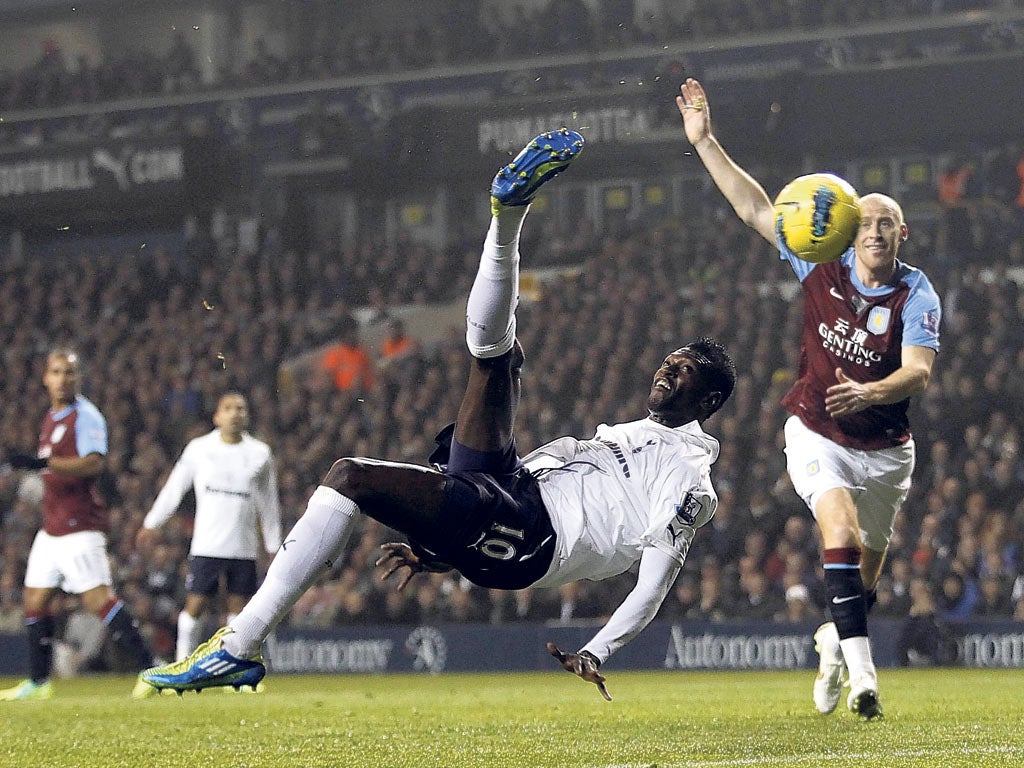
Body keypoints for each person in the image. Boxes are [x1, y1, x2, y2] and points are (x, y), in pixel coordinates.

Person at [141, 127, 736, 700]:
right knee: (497, 358)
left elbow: (655, 581)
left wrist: (598, 650)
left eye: (685, 371)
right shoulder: (641, 433)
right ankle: (508, 215)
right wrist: (443, 547)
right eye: (670, 360)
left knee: (350, 476)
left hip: (533, 538)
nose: (667, 369)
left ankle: (241, 644)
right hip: (513, 488)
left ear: (708, 400)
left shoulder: (689, 479)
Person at [677, 78, 941, 720]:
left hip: (887, 450)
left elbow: (919, 372)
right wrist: (706, 141)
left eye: (886, 223)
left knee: (864, 577)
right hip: (818, 431)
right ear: (850, 231)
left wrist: (872, 390)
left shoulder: (918, 294)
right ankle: (865, 680)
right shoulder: (819, 263)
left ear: (901, 234)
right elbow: (754, 208)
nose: (875, 231)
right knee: (840, 531)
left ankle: (832, 643)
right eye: (866, 222)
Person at [0, 348, 157, 701]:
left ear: (78, 378)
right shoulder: (50, 417)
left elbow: (93, 464)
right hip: (52, 525)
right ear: (46, 378)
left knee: (99, 600)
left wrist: (43, 462)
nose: (63, 379)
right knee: (35, 599)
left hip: (79, 524)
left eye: (69, 373)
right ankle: (39, 682)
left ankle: (151, 670)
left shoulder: (86, 416)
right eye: (57, 372)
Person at [136, 391, 281, 665]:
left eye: (240, 408)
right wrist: (152, 523)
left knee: (238, 611)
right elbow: (174, 487)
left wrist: (274, 544)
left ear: (246, 416)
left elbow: (268, 502)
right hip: (208, 544)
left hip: (243, 546)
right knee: (196, 606)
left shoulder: (260, 454)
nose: (235, 413)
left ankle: (231, 664)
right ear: (217, 416)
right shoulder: (199, 449)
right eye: (228, 408)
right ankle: (182, 662)